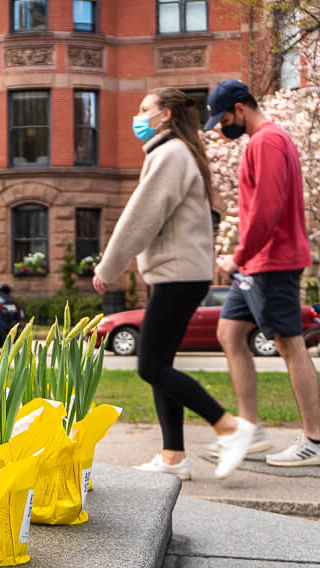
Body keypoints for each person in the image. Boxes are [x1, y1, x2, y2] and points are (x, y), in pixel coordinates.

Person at [93, 88, 255, 480]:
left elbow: (141, 216)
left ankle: (229, 426)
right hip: (179, 274)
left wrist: (108, 267)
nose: (138, 114)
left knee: (150, 366)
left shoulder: (169, 155)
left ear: (165, 115)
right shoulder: (177, 153)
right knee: (160, 365)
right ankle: (173, 457)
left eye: (144, 108)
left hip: (178, 276)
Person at [205, 79, 320, 467]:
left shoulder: (268, 141)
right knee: (229, 332)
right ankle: (251, 428)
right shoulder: (262, 141)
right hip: (257, 264)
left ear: (241, 108)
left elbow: (268, 207)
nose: (222, 126)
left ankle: (316, 441)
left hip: (272, 262)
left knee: (290, 344)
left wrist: (238, 255)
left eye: (225, 118)